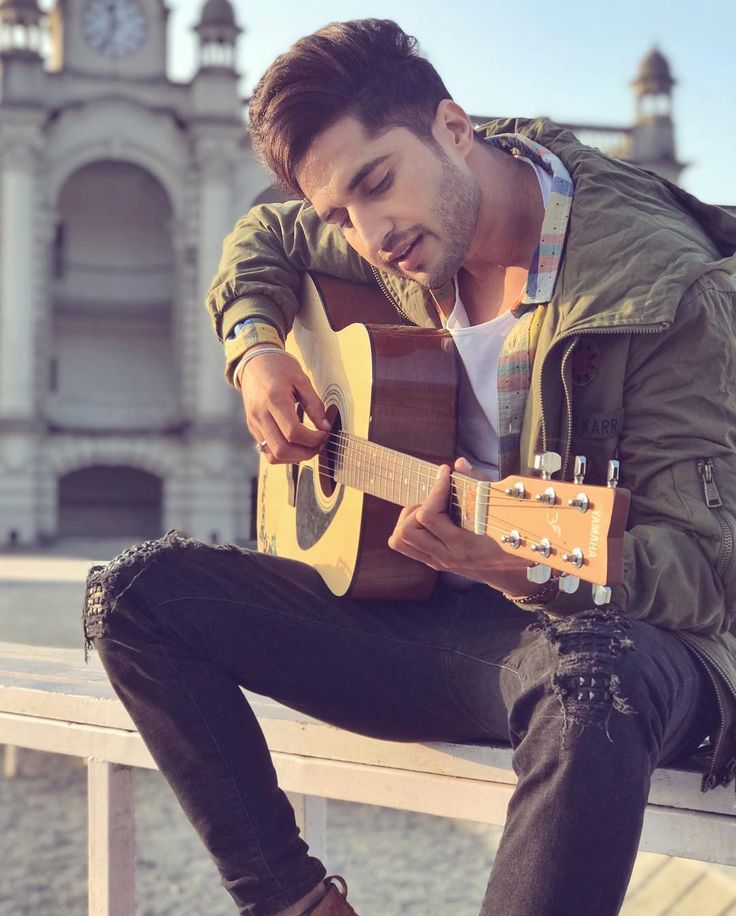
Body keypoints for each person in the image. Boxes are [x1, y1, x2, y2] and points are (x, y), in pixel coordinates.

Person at [83, 19, 736, 916]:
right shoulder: (396, 229)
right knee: (131, 597)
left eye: (376, 184)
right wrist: (256, 349)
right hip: (445, 621)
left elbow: (708, 575)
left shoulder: (665, 291)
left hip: (625, 653)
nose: (370, 232)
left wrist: (521, 563)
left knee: (592, 675)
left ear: (455, 129)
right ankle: (297, 903)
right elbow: (264, 238)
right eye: (340, 214)